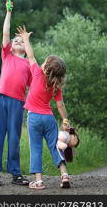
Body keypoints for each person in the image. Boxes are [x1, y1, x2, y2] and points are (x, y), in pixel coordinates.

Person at [16, 25, 71, 189]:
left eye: (45, 61)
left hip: (34, 118)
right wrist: (65, 120)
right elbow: (60, 105)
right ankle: (64, 175)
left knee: (36, 148)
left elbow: (30, 55)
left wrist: (25, 39)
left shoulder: (37, 73)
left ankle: (38, 181)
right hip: (49, 118)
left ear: (46, 67)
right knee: (55, 147)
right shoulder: (56, 86)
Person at [0, 0, 32, 186]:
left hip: (17, 103)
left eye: (22, 41)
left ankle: (15, 173)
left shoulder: (29, 63)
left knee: (14, 137)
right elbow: (6, 33)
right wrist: (8, 12)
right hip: (2, 98)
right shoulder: (7, 55)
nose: (18, 42)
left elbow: (32, 86)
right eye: (16, 40)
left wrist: (27, 40)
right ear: (11, 46)